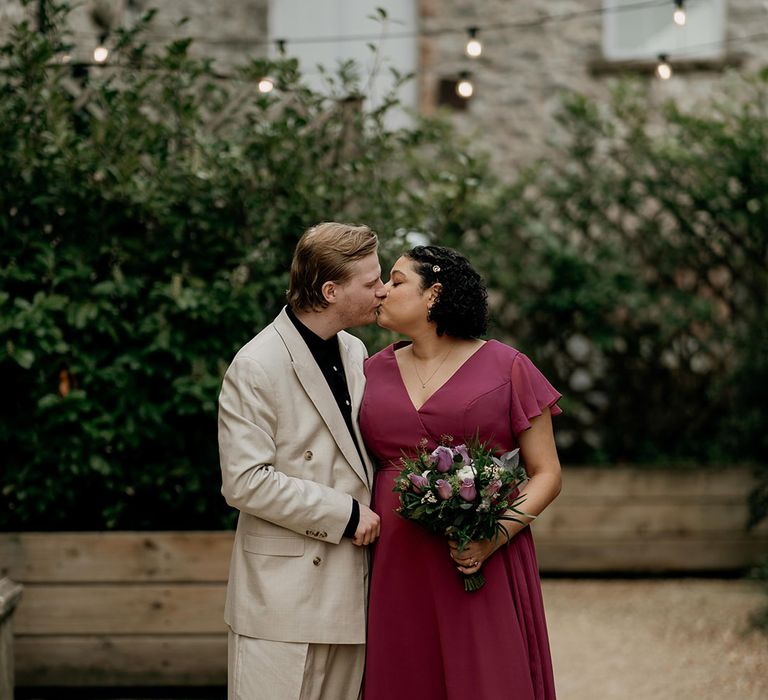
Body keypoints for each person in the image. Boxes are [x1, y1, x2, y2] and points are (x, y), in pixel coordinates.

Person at [360, 245, 562, 700]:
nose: (382, 292)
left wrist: (495, 535)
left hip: (479, 552)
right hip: (395, 560)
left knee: (487, 678)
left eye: (395, 281)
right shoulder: (369, 371)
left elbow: (547, 473)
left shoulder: (508, 366)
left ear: (433, 294)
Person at [218, 222, 387, 700]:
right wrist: (346, 513)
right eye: (371, 281)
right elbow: (245, 482)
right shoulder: (256, 364)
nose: (383, 289)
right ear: (331, 290)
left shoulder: (355, 350)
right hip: (281, 598)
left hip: (349, 590)